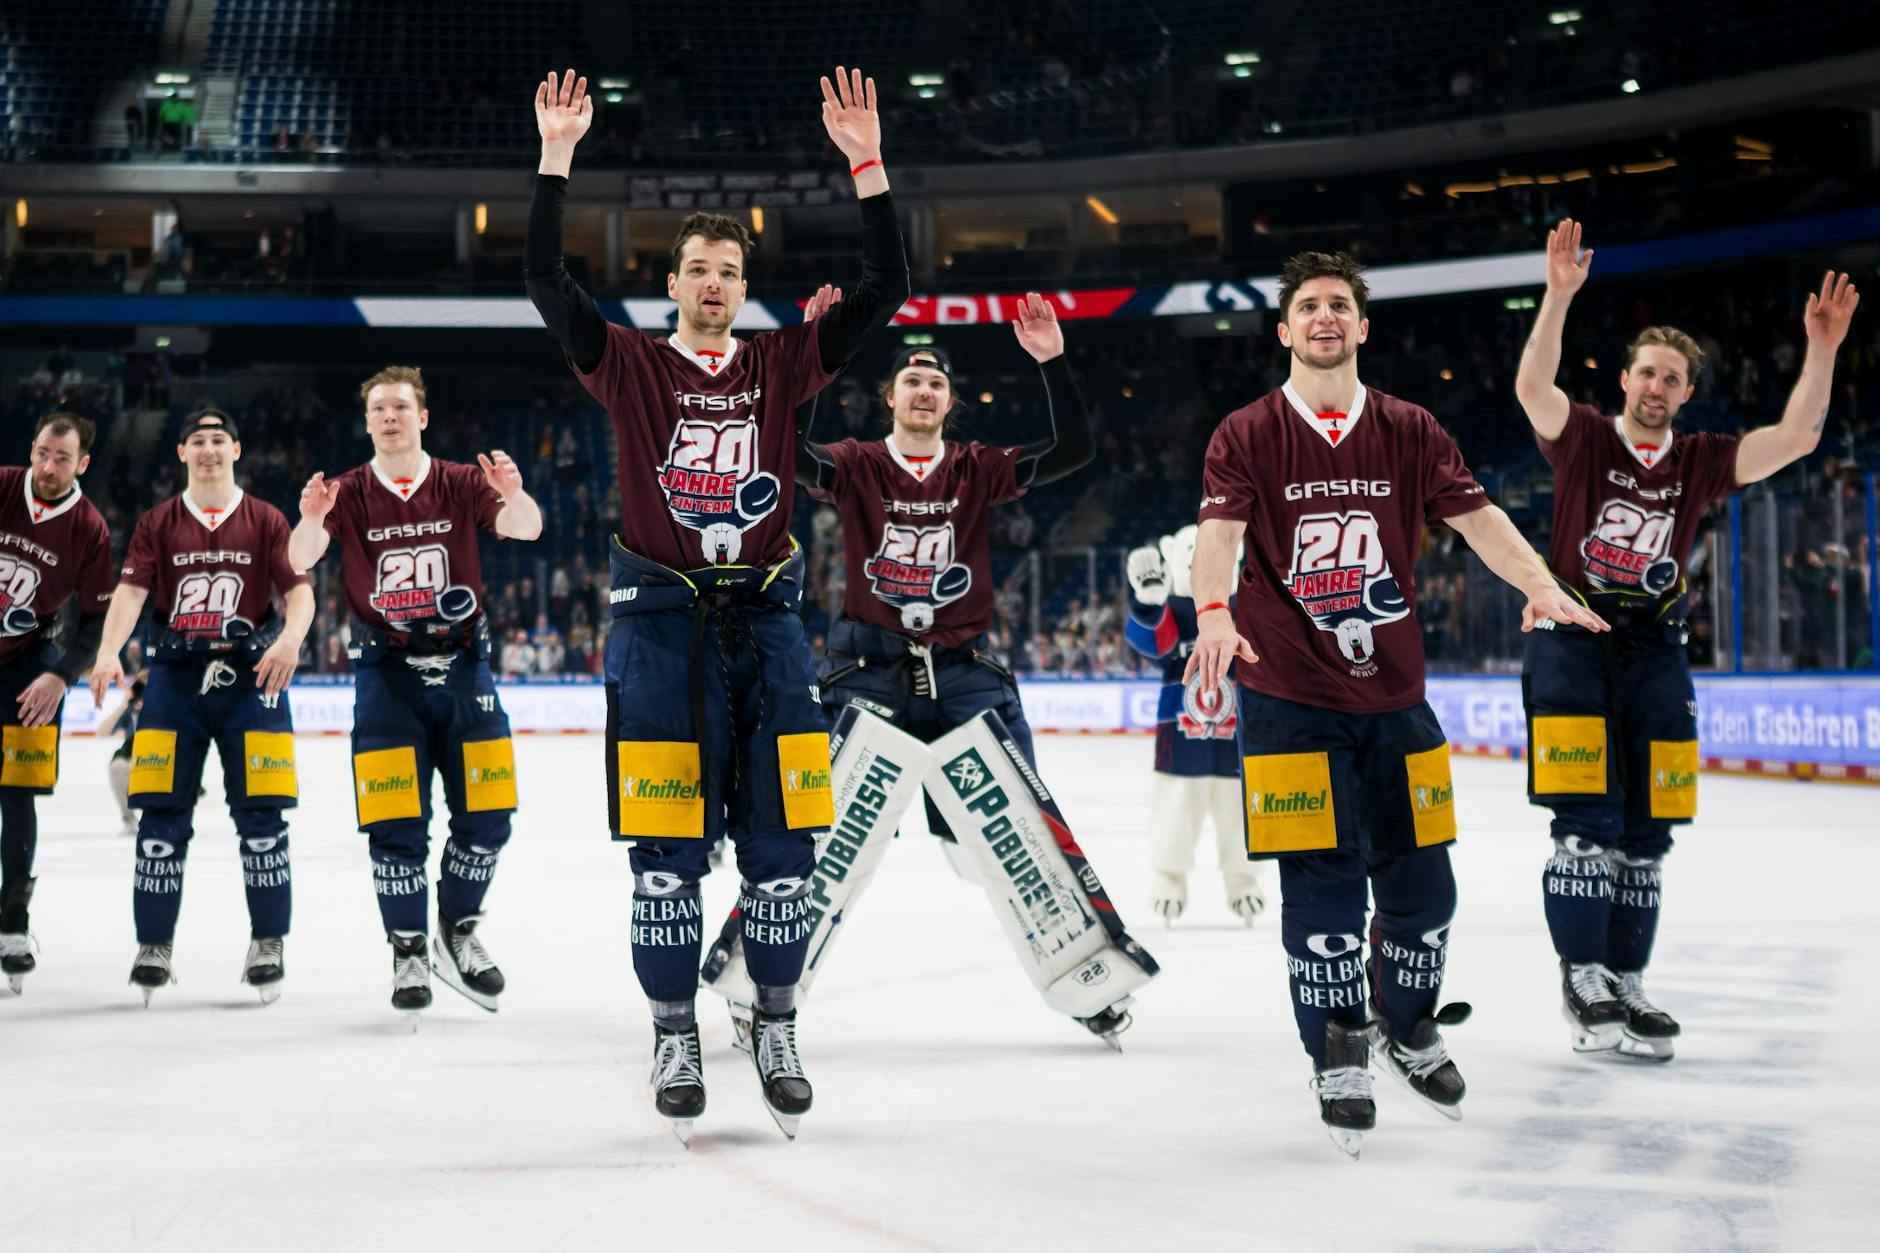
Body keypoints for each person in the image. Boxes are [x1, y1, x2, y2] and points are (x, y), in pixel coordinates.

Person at [524, 66, 908, 1139]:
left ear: (743, 286)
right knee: (664, 857)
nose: (710, 282)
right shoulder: (630, 366)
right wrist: (556, 155)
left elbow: (888, 286)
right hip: (656, 635)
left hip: (771, 628)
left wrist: (865, 165)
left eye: (727, 269)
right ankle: (672, 1026)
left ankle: (775, 1015)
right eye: (695, 267)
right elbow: (545, 279)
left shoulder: (785, 362)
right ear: (673, 281)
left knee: (787, 850)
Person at [1186, 251, 1607, 1157]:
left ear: (1363, 326)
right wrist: (1212, 613)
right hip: (1287, 703)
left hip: (1397, 701)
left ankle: (1407, 1022)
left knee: (1426, 890)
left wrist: (1539, 583)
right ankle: (1337, 1050)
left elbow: (1482, 520)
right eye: (1309, 306)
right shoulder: (1246, 432)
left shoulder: (1411, 428)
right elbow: (1216, 539)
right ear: (1286, 330)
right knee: (1325, 895)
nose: (1326, 317)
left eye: (1340, 304)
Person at [1513, 220, 1860, 1061]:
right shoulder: (1588, 437)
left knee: (1651, 829)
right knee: (1586, 821)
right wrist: (1559, 295)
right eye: (1647, 370)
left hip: (1659, 650)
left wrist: (1822, 349)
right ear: (1624, 378)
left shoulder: (1700, 459)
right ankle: (1583, 973)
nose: (1658, 383)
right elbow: (1531, 386)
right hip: (1571, 639)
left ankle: (1628, 982)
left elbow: (1800, 438)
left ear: (1686, 390)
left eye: (1673, 375)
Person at [773, 289, 1149, 1044]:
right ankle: (767, 977)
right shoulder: (858, 463)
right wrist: (810, 355)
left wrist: (1054, 364)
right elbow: (786, 455)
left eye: (937, 382)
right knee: (816, 828)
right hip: (868, 669)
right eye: (911, 378)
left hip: (964, 669)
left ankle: (1086, 979)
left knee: (1017, 836)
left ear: (952, 401)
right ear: (889, 396)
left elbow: (1074, 451)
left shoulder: (977, 467)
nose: (923, 389)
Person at [288, 366, 543, 1016]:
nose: (391, 416)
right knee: (395, 824)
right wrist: (311, 518)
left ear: (422, 417)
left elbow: (528, 527)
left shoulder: (459, 480)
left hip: (463, 665)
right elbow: (298, 558)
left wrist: (513, 495)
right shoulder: (346, 490)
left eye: (401, 405)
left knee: (489, 818)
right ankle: (407, 946)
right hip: (385, 675)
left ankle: (456, 928)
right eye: (379, 408)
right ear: (367, 421)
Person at [89, 409, 314, 1005]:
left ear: (236, 449)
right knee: (159, 824)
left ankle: (268, 942)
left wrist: (290, 640)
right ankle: (153, 946)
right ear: (182, 453)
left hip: (253, 682)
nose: (209, 450)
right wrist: (109, 651)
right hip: (172, 681)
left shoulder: (266, 519)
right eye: (198, 442)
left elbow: (299, 591)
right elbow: (131, 592)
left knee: (264, 825)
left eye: (219, 440)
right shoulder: (157, 522)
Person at [0, 413, 116, 993]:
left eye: (62, 458)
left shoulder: (90, 529)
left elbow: (96, 624)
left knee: (17, 797)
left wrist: (60, 677)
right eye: (43, 453)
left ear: (82, 465)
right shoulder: (1, 485)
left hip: (29, 670)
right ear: (32, 447)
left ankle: (13, 924)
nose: (49, 467)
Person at [1125, 523, 1267, 924]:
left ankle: (1243, 880)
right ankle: (1170, 878)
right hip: (1181, 741)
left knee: (1238, 812)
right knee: (1174, 810)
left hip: (1237, 739)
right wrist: (1149, 604)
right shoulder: (1175, 612)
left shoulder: (1247, 609)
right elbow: (1154, 644)